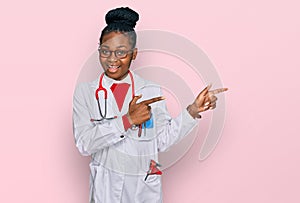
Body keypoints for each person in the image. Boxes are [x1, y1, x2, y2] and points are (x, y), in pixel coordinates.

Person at [72, 7, 228, 203]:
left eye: (121, 52)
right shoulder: (85, 92)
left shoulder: (151, 90)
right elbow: (84, 144)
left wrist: (192, 111)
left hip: (142, 191)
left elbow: (162, 140)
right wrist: (128, 120)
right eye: (105, 51)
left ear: (134, 54)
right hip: (105, 190)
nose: (112, 59)